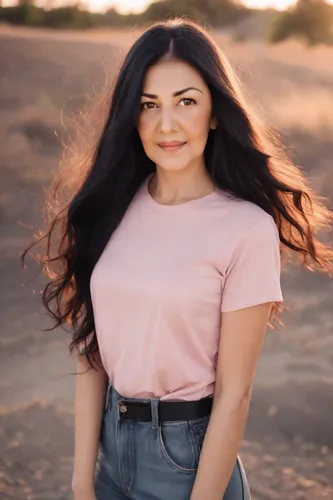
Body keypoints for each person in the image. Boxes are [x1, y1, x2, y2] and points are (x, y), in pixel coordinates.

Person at [21, 18, 333, 500]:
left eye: (186, 101)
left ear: (214, 111)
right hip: (111, 452)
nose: (167, 124)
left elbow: (235, 397)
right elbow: (92, 355)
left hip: (188, 463)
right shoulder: (113, 206)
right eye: (149, 106)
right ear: (132, 116)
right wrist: (82, 484)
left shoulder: (245, 228)